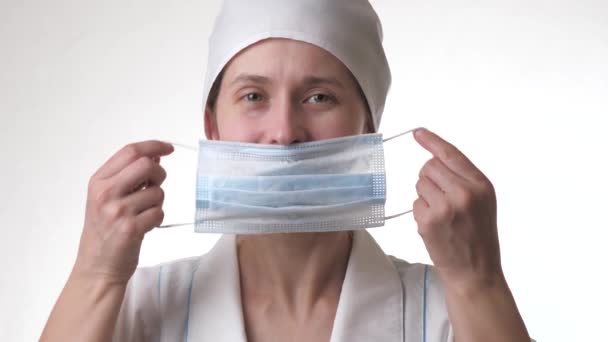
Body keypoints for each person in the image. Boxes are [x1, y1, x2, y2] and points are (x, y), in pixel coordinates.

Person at [41, 0, 533, 341]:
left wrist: (479, 283)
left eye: (319, 97)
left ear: (369, 125)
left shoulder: (450, 311)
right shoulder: (137, 308)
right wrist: (95, 276)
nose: (284, 132)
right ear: (212, 127)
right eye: (253, 96)